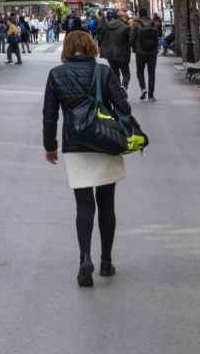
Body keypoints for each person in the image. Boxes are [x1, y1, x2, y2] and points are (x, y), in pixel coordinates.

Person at [43, 29, 134, 287]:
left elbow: (49, 116)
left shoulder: (56, 75)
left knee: (83, 205)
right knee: (107, 204)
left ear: (67, 49)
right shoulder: (103, 72)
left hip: (76, 145)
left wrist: (50, 146)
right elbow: (123, 107)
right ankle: (106, 261)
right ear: (92, 47)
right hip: (105, 142)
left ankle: (85, 258)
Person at [132, 12, 161, 101]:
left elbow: (132, 38)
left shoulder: (136, 24)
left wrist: (134, 48)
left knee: (140, 72)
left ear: (139, 15)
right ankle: (151, 96)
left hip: (140, 52)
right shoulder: (154, 24)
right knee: (151, 74)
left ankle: (143, 88)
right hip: (152, 53)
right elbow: (158, 36)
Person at [102, 10, 133, 89]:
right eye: (125, 17)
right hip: (122, 54)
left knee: (115, 74)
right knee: (126, 74)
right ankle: (124, 87)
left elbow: (101, 38)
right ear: (122, 18)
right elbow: (131, 40)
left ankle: (118, 90)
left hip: (110, 54)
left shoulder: (107, 26)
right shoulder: (126, 27)